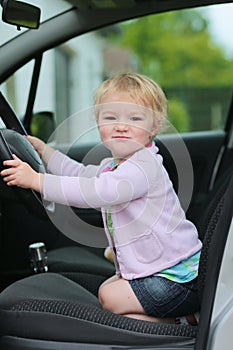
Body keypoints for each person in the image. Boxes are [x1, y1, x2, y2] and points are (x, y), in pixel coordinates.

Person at [1, 72, 202, 324]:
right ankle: (182, 319)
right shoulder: (116, 165)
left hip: (176, 279)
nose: (121, 125)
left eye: (135, 118)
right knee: (113, 291)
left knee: (108, 295)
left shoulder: (142, 167)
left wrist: (36, 181)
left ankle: (185, 321)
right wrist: (45, 153)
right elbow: (82, 174)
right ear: (98, 123)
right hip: (161, 271)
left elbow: (95, 191)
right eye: (110, 117)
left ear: (154, 126)